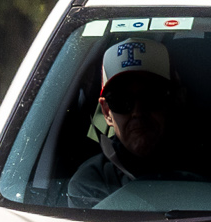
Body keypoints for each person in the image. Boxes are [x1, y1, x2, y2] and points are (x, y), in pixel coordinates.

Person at [66, 37, 194, 208]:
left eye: (152, 97)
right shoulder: (90, 183)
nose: (137, 112)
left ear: (176, 100)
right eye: (120, 101)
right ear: (106, 112)